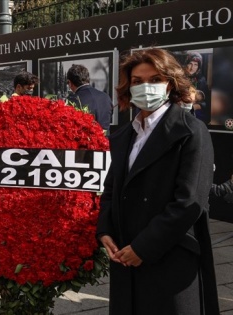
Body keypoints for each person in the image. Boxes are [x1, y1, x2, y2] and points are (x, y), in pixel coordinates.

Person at [96, 48, 219, 315]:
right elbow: (111, 188)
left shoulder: (190, 131)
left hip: (168, 256)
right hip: (125, 256)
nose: (145, 87)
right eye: (138, 81)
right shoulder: (124, 134)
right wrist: (105, 230)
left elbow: (189, 202)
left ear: (171, 84)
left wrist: (143, 248)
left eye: (154, 80)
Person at [66, 64, 113, 133]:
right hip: (105, 141)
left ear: (70, 83)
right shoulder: (105, 97)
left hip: (85, 142)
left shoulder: (72, 101)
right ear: (87, 79)